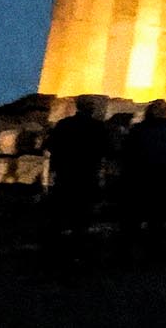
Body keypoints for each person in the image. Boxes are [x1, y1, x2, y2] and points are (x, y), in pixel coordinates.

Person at [118, 101, 166, 251]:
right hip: (162, 177)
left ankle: (130, 245)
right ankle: (154, 245)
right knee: (157, 213)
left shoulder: (139, 130)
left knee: (137, 212)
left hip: (141, 177)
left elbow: (127, 153)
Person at [44, 97, 111, 247]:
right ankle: (78, 244)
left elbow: (50, 145)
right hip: (87, 174)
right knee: (83, 212)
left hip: (66, 173)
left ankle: (53, 245)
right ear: (91, 109)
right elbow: (106, 149)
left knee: (60, 210)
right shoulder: (98, 127)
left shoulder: (64, 124)